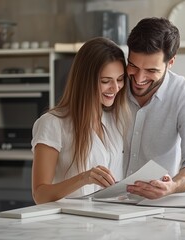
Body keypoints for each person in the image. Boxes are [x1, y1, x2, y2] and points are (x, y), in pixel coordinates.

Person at [31, 37, 130, 204]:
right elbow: (40, 195)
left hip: (110, 222)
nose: (115, 88)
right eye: (105, 81)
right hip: (70, 225)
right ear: (85, 80)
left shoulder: (114, 121)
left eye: (120, 79)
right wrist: (84, 178)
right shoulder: (52, 123)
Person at [124, 17, 185, 199]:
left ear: (170, 62)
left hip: (157, 209)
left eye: (151, 71)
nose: (139, 79)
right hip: (104, 205)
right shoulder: (113, 85)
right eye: (133, 66)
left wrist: (173, 185)